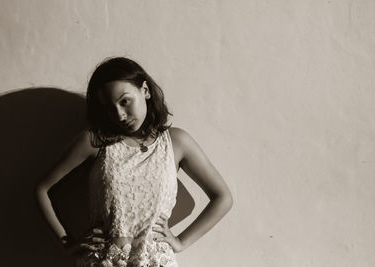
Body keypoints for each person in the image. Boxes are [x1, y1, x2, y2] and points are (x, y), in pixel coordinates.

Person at [35, 57, 233, 267]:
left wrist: (181, 242)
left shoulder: (176, 142)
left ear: (145, 91)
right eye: (109, 108)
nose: (120, 115)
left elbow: (223, 198)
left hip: (156, 261)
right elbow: (42, 189)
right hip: (103, 261)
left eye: (125, 101)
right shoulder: (95, 142)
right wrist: (67, 243)